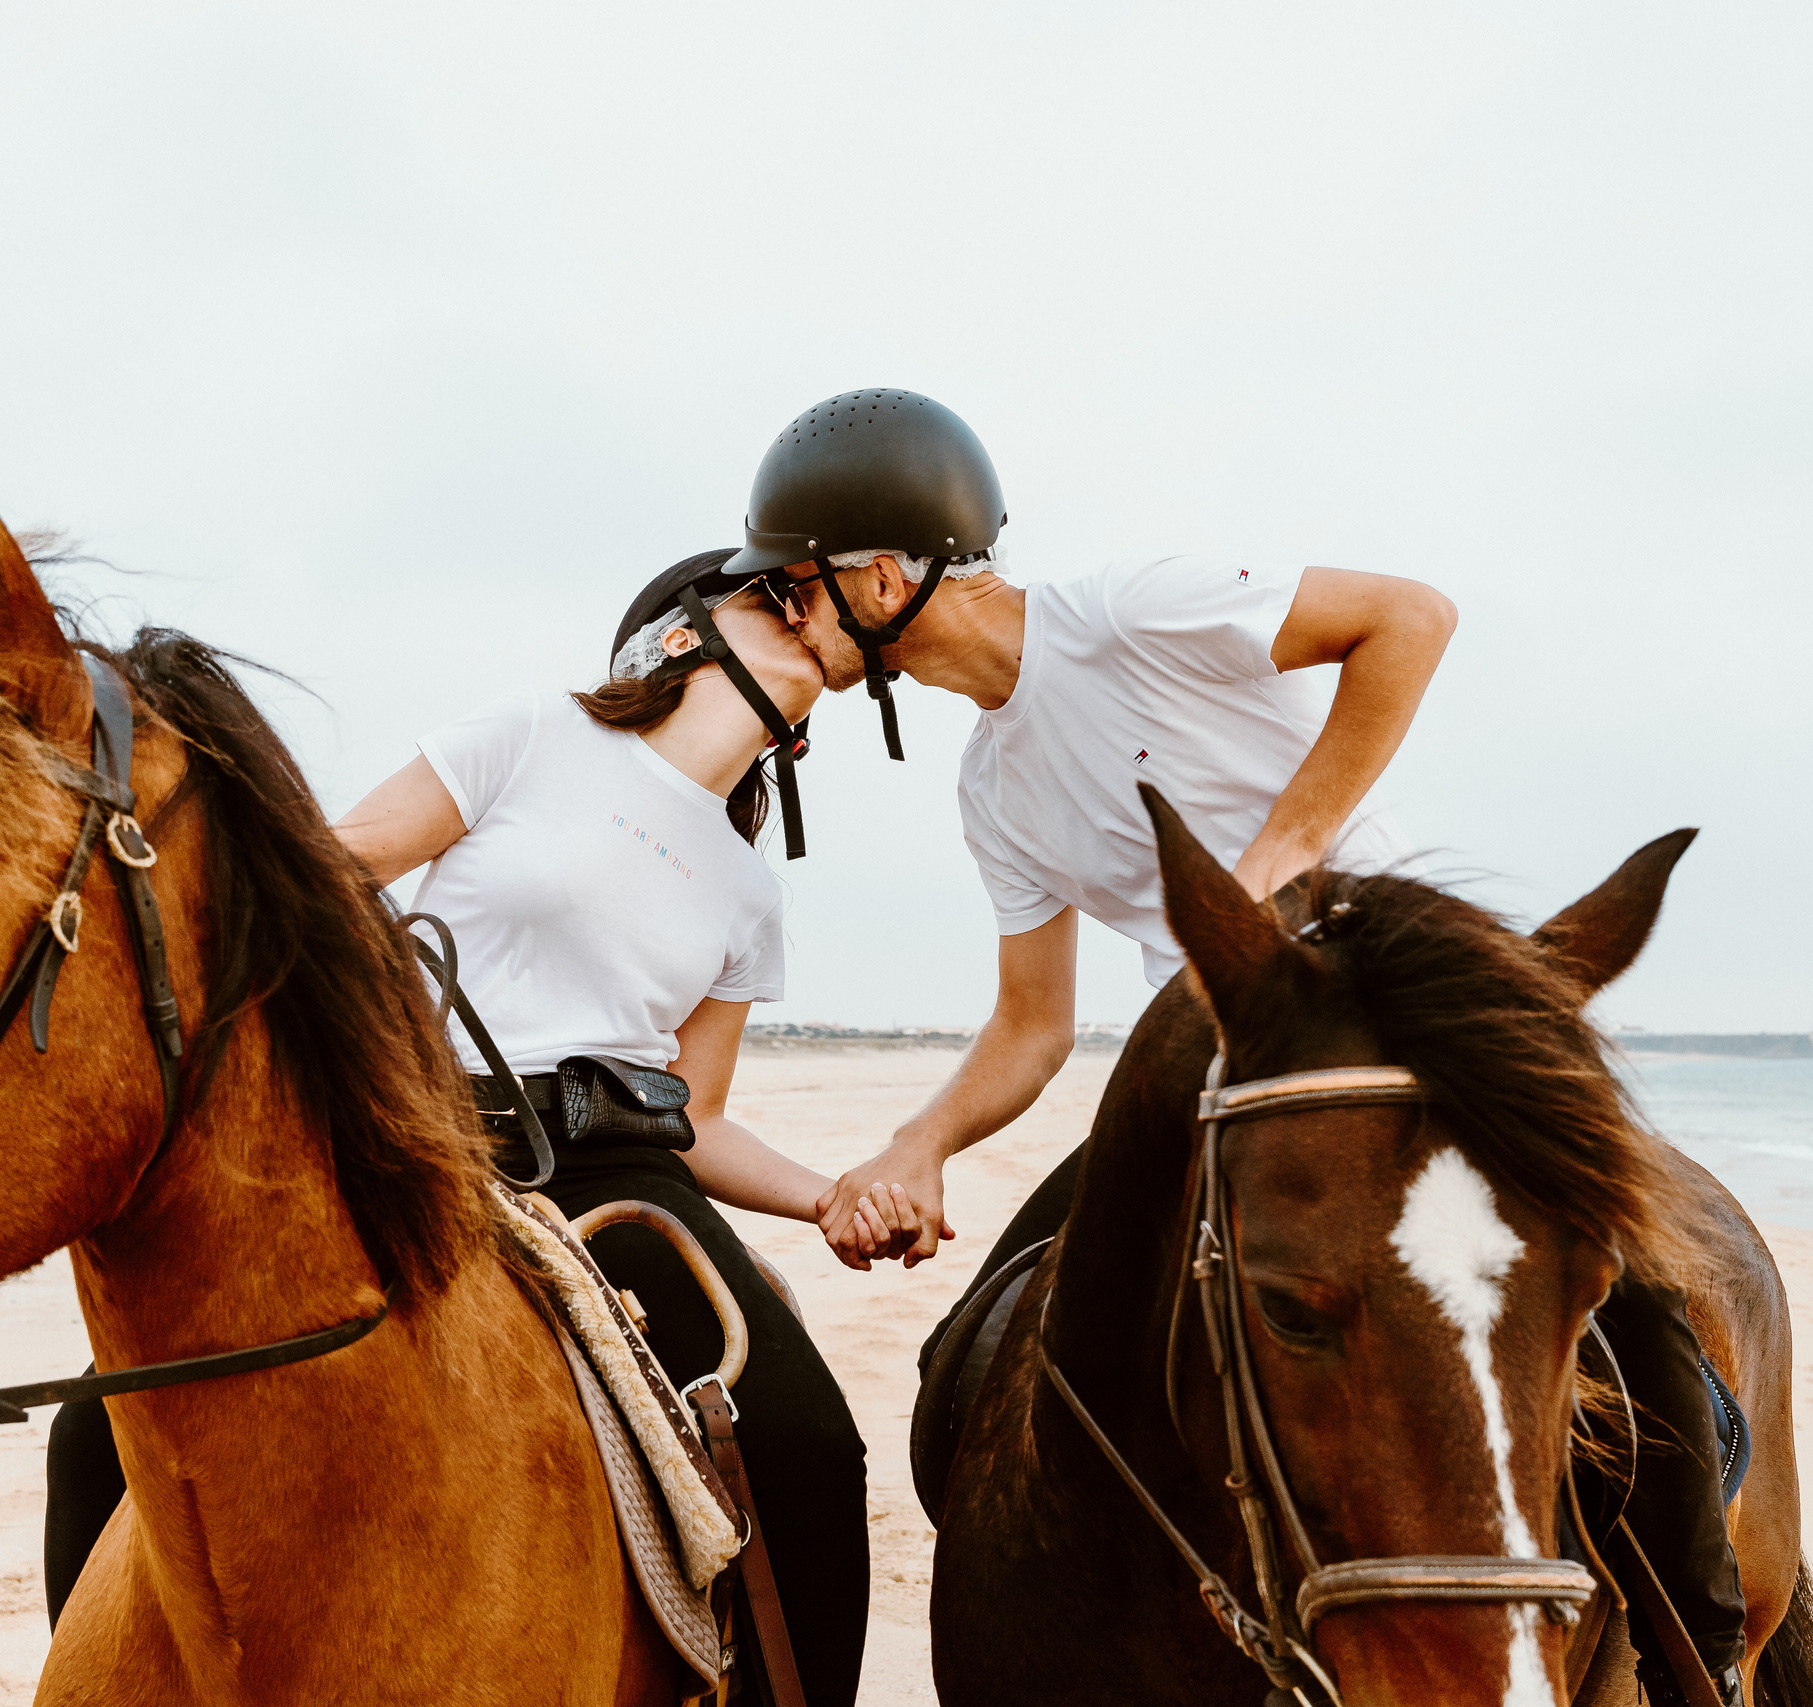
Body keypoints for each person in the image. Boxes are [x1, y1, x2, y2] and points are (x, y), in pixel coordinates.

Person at [715, 388, 1746, 1703]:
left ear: (876, 572)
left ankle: (1699, 1634)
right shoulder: (990, 785)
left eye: (795, 588)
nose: (788, 616)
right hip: (1216, 1060)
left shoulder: (1132, 604)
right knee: (979, 1339)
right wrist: (914, 1144)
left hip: (1399, 1011)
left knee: (1616, 1287)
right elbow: (1033, 1026)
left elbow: (1409, 617)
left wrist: (1284, 851)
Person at [331, 549, 887, 1705]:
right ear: (681, 634)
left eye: (806, 591)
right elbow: (336, 875)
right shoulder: (531, 734)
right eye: (770, 591)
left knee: (812, 1448)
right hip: (424, 1137)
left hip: (620, 1170)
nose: (799, 606)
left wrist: (827, 1194)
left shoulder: (747, 890)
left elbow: (704, 1117)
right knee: (110, 1422)